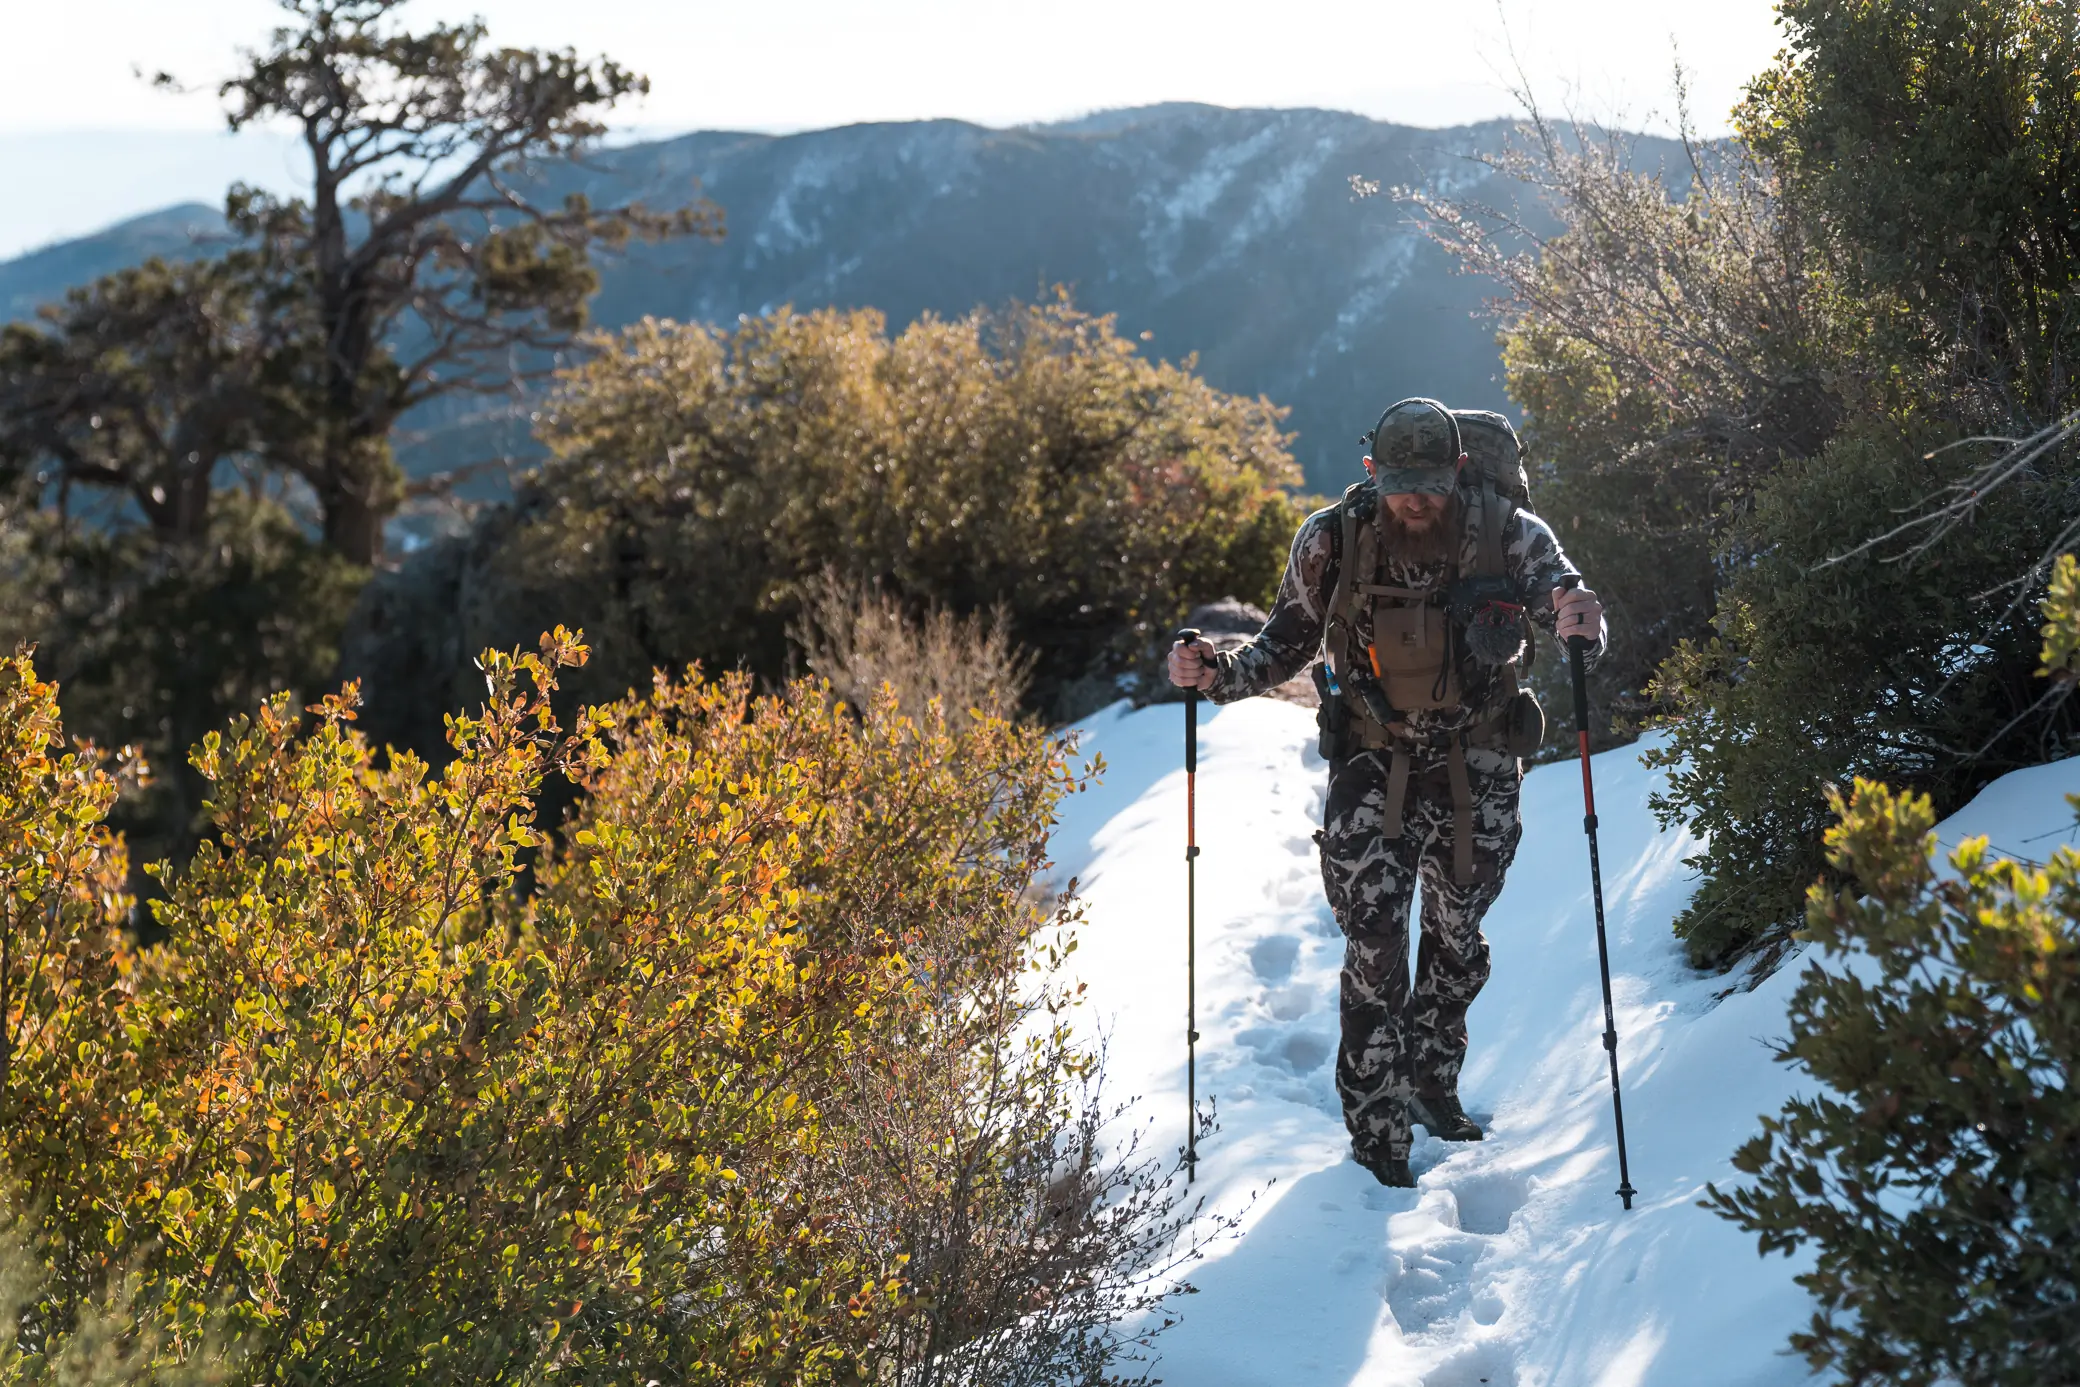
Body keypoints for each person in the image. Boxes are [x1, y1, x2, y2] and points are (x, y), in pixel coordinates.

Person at [1167, 397, 1605, 1188]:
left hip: (1477, 760)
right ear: (1374, 473)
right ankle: (1378, 1146)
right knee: (1373, 946)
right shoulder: (1333, 538)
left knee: (1458, 937)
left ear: (1458, 471)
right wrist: (1215, 671)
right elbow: (1283, 644)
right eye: (1401, 483)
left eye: (1431, 484)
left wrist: (1580, 620)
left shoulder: (1507, 529)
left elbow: (1563, 597)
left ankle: (1432, 1083)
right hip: (1372, 761)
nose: (1416, 499)